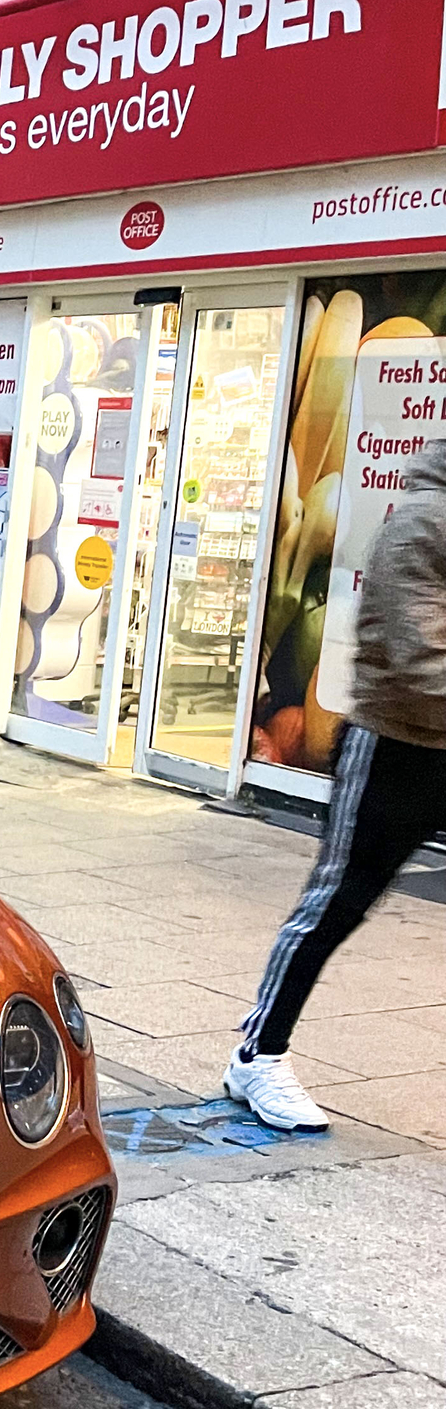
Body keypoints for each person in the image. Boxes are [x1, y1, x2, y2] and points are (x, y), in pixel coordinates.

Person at [228, 441, 446, 1132]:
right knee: (336, 903)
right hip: (394, 751)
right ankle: (257, 1055)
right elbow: (421, 656)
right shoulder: (421, 523)